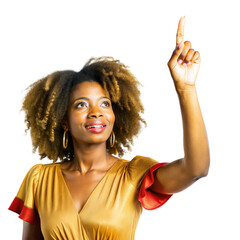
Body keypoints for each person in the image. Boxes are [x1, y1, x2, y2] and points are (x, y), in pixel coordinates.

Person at [8, 17, 210, 240]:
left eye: (105, 103)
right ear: (63, 120)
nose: (96, 112)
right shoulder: (39, 179)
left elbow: (196, 169)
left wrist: (186, 89)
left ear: (115, 115)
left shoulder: (133, 174)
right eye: (81, 104)